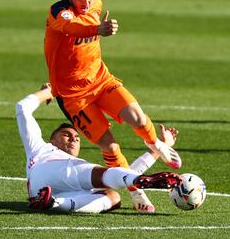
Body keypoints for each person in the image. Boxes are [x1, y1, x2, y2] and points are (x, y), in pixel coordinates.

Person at [43, 0, 182, 211]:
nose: (86, 2)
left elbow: (92, 14)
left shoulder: (96, 5)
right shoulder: (59, 12)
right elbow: (74, 28)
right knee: (110, 147)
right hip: (74, 97)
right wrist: (98, 30)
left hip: (101, 79)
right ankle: (136, 192)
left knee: (137, 117)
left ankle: (155, 144)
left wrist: (104, 26)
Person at [16, 85, 182, 213]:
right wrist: (48, 92)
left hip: (46, 193)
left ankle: (53, 203)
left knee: (113, 197)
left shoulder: (72, 163)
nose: (74, 138)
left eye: (77, 137)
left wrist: (161, 148)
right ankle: (138, 181)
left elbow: (123, 172)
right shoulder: (40, 147)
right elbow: (22, 107)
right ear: (52, 140)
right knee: (106, 176)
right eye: (66, 135)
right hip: (50, 170)